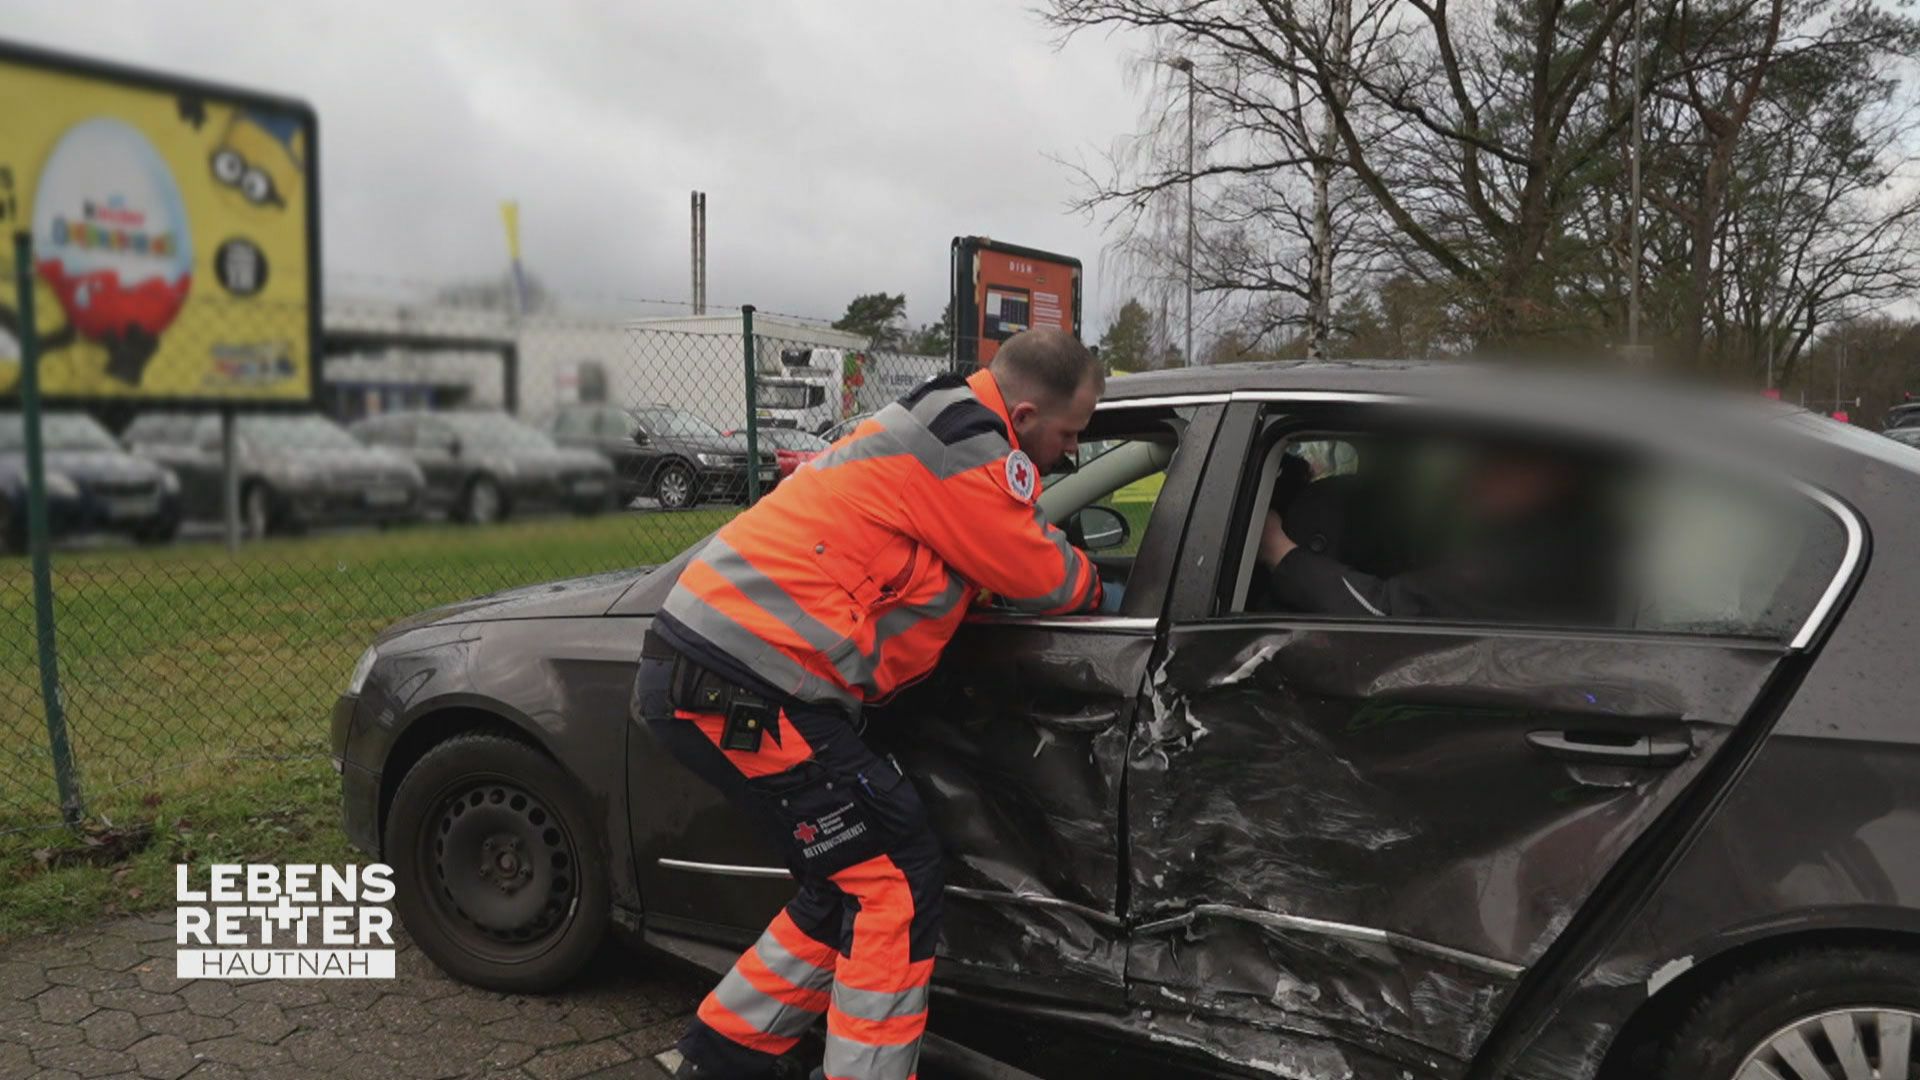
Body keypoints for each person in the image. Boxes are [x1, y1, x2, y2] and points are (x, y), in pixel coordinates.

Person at [633, 327, 1107, 1080]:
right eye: (1070, 433)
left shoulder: (946, 422)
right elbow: (1043, 575)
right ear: (1023, 416)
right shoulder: (971, 451)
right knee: (892, 878)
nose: (1073, 453)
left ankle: (725, 1055)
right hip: (751, 682)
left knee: (848, 875)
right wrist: (1102, 585)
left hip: (731, 672)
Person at [1257, 440, 1617, 625]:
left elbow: (1384, 614)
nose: (1476, 479)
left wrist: (1278, 549)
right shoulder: (1566, 541)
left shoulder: (1528, 562)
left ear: (1553, 479)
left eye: (1501, 468)